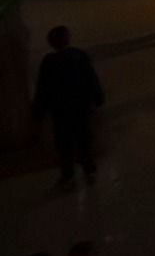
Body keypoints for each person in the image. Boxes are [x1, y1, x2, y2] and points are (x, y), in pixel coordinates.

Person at [31, 27, 103, 190]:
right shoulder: (79, 56)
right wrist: (97, 98)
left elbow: (43, 88)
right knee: (84, 139)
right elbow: (90, 78)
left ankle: (68, 174)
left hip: (60, 111)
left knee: (64, 144)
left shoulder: (48, 62)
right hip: (80, 107)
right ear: (68, 38)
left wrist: (38, 112)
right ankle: (89, 171)